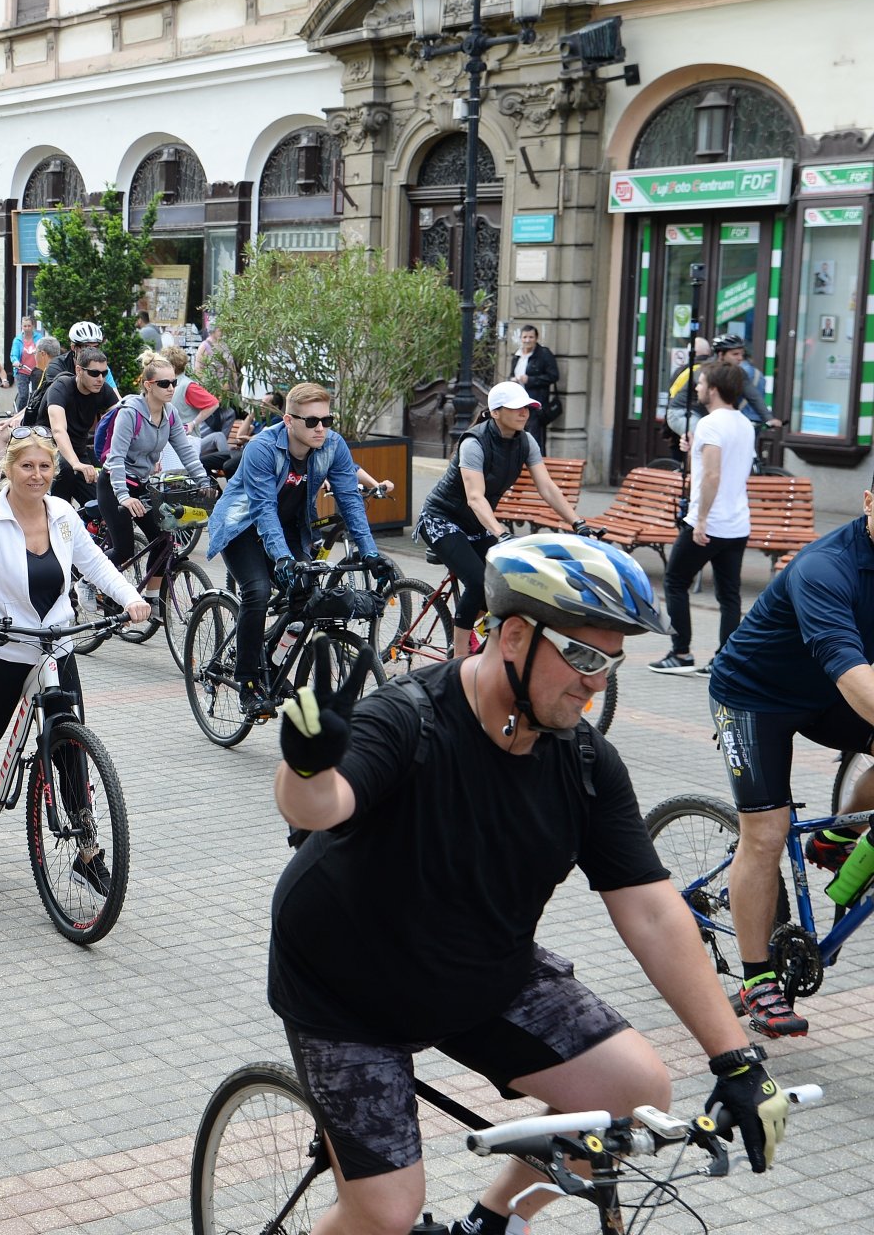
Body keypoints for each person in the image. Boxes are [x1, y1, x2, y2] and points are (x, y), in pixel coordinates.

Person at [270, 533, 792, 1235]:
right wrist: (305, 765)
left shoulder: (584, 764)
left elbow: (651, 912)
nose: (597, 681)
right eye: (581, 656)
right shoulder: (409, 718)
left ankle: (490, 1224)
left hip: (482, 969)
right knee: (385, 1212)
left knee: (633, 1088)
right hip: (347, 991)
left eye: (611, 661)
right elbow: (320, 807)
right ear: (514, 635)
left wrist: (736, 1057)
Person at [0, 427, 149, 873]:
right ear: (8, 469)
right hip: (3, 648)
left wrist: (130, 598)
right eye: (27, 465)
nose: (36, 474)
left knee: (70, 749)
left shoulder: (62, 513)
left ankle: (87, 851)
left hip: (56, 645)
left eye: (45, 466)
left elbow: (95, 562)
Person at [704, 473, 874, 1039]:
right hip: (755, 696)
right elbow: (852, 675)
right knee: (767, 833)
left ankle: (837, 837)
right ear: (869, 503)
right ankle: (757, 980)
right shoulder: (827, 568)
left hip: (824, 694)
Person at [204, 382, 394, 715]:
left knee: (307, 597)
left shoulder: (332, 446)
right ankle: (248, 682)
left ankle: (273, 663)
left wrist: (370, 553)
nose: (321, 428)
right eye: (311, 421)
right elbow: (263, 508)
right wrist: (283, 559)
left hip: (290, 527)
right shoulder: (262, 448)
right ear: (290, 421)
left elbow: (350, 500)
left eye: (327, 420)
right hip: (242, 526)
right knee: (258, 591)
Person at [414, 380, 592, 657]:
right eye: (516, 408)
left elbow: (546, 488)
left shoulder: (526, 441)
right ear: (496, 412)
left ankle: (475, 629)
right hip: (441, 519)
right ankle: (458, 658)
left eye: (527, 407)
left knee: (507, 580)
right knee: (476, 581)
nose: (524, 412)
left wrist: (577, 522)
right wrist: (501, 533)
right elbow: (475, 497)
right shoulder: (474, 442)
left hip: (476, 523)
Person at [652, 362, 754, 676]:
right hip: (738, 523)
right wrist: (693, 449)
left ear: (713, 389)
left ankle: (681, 653)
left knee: (674, 581)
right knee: (729, 594)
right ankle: (725, 659)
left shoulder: (711, 423)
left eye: (700, 383)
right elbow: (722, 466)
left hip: (710, 522)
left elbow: (711, 475)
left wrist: (701, 520)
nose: (696, 388)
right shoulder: (744, 424)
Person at [97, 356, 214, 596]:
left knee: (164, 543)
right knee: (124, 550)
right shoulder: (130, 413)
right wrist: (123, 497)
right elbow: (116, 458)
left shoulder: (170, 414)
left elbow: (186, 454)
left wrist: (203, 481)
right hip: (113, 484)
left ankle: (151, 601)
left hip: (141, 484)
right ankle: (88, 583)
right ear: (148, 385)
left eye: (173, 382)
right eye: (164, 383)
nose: (171, 387)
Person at [39, 346, 117, 506]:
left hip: (78, 451)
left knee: (100, 506)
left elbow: (124, 418)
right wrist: (75, 464)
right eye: (94, 373)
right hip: (47, 448)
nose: (100, 378)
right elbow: (58, 430)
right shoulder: (61, 387)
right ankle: (58, 518)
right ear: (79, 370)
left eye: (104, 373)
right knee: (66, 471)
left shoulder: (103, 390)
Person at [509, 325, 560, 447]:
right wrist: (512, 380)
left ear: (536, 338)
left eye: (531, 337)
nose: (527, 340)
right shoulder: (517, 356)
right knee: (517, 438)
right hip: (517, 405)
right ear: (520, 338)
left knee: (535, 440)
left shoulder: (544, 354)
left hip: (535, 405)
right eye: (525, 337)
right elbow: (511, 374)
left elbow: (553, 376)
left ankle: (536, 465)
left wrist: (530, 380)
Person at [9, 315, 41, 407]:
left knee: (36, 395)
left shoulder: (39, 338)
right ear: (22, 327)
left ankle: (34, 415)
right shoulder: (18, 340)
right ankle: (19, 417)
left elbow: (43, 350)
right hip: (22, 370)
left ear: (33, 326)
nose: (27, 328)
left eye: (29, 326)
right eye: (25, 326)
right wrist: (15, 362)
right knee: (23, 395)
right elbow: (14, 354)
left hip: (36, 370)